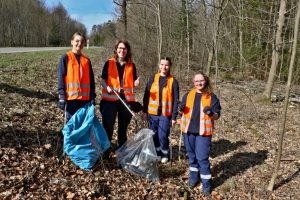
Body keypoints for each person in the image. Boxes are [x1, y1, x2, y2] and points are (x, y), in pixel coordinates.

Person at [179, 72, 221, 196]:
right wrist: (180, 109)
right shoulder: (188, 95)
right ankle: (193, 179)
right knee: (192, 157)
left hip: (203, 133)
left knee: (202, 159)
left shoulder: (211, 97)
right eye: (196, 81)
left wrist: (211, 113)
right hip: (188, 132)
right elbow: (182, 112)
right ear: (193, 82)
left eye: (201, 80)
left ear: (205, 81)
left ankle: (207, 185)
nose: (199, 83)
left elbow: (217, 115)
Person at [100, 40, 139, 152]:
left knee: (123, 128)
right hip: (110, 100)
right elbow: (102, 80)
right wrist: (106, 87)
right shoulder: (109, 63)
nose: (122, 50)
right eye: (120, 48)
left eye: (124, 48)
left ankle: (121, 150)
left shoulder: (131, 65)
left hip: (126, 100)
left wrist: (136, 83)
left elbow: (134, 81)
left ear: (127, 51)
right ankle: (106, 150)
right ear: (116, 49)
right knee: (108, 127)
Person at [142, 57, 180, 163]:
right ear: (159, 65)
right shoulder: (153, 78)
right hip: (152, 113)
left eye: (166, 65)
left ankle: (165, 154)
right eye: (162, 64)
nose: (164, 67)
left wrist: (173, 117)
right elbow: (146, 96)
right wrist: (144, 112)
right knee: (154, 135)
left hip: (165, 114)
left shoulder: (173, 81)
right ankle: (157, 153)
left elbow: (176, 101)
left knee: (162, 135)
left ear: (170, 66)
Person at [57, 32, 95, 121]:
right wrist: (61, 96)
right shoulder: (66, 58)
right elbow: (61, 78)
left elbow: (91, 80)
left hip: (85, 101)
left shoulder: (86, 60)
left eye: (82, 42)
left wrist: (92, 96)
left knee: (82, 127)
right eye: (77, 41)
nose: (79, 44)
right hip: (70, 100)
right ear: (72, 42)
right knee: (71, 126)